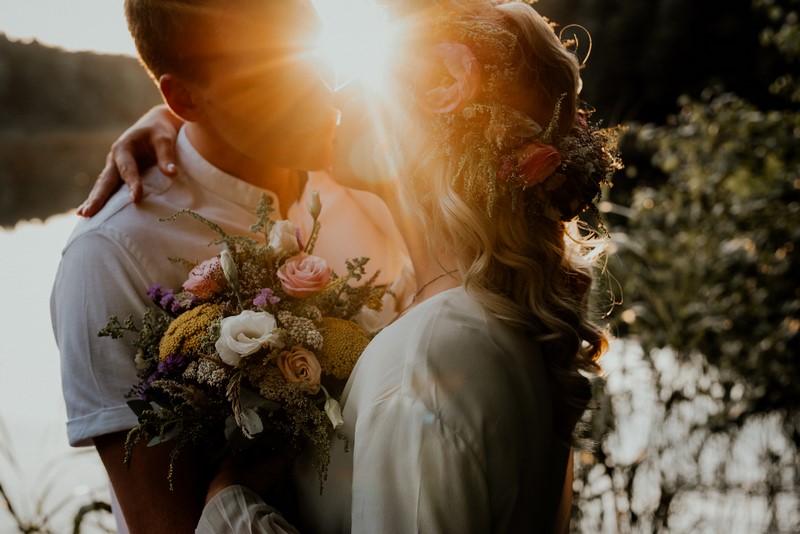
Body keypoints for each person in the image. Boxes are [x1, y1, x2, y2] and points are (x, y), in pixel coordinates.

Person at [88, 1, 617, 532]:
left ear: (425, 135)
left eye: (372, 78)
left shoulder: (427, 364)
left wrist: (231, 506)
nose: (335, 94)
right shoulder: (503, 310)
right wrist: (182, 120)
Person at [50, 1, 407, 532]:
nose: (320, 93)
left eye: (311, 46)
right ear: (183, 98)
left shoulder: (369, 173)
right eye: (270, 76)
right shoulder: (112, 255)